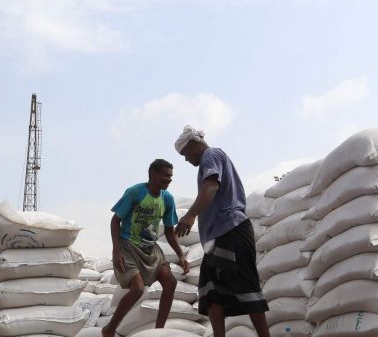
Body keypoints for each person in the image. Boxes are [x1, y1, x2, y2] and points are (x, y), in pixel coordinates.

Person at [174, 125, 269, 337]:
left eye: (184, 154)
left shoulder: (211, 154)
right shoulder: (209, 159)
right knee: (211, 292)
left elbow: (211, 187)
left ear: (192, 144)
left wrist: (190, 215)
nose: (186, 160)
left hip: (232, 230)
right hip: (218, 238)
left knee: (247, 288)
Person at [102, 159, 188, 337]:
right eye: (166, 175)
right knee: (138, 289)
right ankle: (109, 329)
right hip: (128, 245)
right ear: (153, 174)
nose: (169, 179)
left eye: (171, 176)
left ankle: (158, 331)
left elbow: (170, 232)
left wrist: (181, 255)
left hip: (151, 247)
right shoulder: (136, 192)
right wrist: (116, 251)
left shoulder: (167, 198)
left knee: (170, 283)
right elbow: (115, 220)